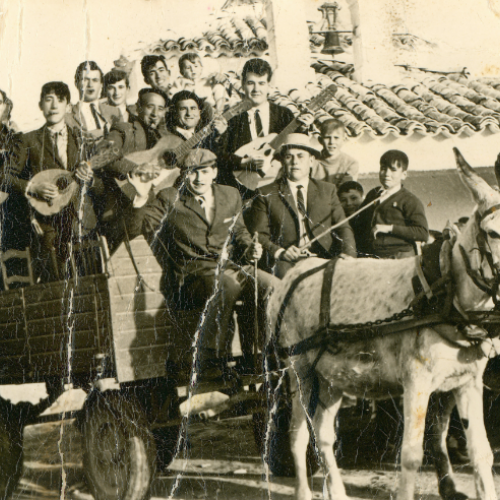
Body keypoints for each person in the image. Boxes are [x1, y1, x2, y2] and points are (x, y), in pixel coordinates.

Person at [125, 148, 278, 378]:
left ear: (214, 172)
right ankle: (209, 358)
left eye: (204, 172)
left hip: (229, 267)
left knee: (272, 286)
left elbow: (240, 232)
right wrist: (140, 197)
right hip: (190, 274)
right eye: (191, 173)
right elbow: (139, 230)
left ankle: (261, 354)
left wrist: (250, 249)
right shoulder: (169, 197)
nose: (198, 178)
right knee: (227, 285)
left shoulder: (230, 195)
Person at [7, 82, 98, 280]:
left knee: (91, 274)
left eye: (60, 100)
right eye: (49, 100)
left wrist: (89, 178)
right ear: (40, 105)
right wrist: (32, 187)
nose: (54, 106)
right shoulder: (28, 140)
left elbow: (99, 180)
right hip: (48, 220)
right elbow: (4, 176)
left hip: (82, 219)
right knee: (56, 275)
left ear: (68, 106)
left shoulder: (82, 139)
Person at [247, 134, 357, 279]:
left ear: (311, 161)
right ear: (282, 161)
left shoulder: (327, 190)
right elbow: (259, 235)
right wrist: (281, 252)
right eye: (288, 157)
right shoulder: (265, 193)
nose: (294, 162)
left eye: (300, 156)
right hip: (285, 262)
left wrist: (349, 256)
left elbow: (343, 227)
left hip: (323, 259)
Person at [217, 58, 313, 199]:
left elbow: (298, 147)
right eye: (251, 83)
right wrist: (242, 162)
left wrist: (304, 127)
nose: (256, 89)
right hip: (240, 190)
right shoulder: (232, 117)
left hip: (278, 188)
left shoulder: (283, 114)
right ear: (243, 85)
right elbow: (218, 155)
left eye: (261, 83)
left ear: (269, 85)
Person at [96, 88, 169, 250]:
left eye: (161, 108)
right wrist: (137, 168)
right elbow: (104, 153)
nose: (155, 113)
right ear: (138, 107)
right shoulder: (124, 129)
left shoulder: (165, 137)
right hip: (124, 206)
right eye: (150, 106)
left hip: (156, 209)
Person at [357, 149, 429, 259]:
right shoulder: (373, 194)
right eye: (383, 169)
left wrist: (389, 228)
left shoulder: (410, 200)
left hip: (399, 258)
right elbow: (359, 222)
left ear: (403, 174)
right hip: (373, 257)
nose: (387, 174)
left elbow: (422, 232)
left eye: (393, 170)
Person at [66, 61, 110, 138]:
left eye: (95, 80)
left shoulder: (114, 111)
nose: (90, 85)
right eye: (85, 80)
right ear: (76, 83)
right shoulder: (68, 117)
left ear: (101, 84)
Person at [311, 119, 359, 187]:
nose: (332, 142)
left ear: (343, 140)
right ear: (320, 140)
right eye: (327, 137)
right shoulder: (312, 162)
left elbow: (345, 191)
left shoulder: (350, 163)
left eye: (336, 138)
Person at [337, 180, 369, 256]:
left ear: (362, 198)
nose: (349, 203)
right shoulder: (339, 220)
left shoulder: (368, 218)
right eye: (343, 200)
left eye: (353, 198)